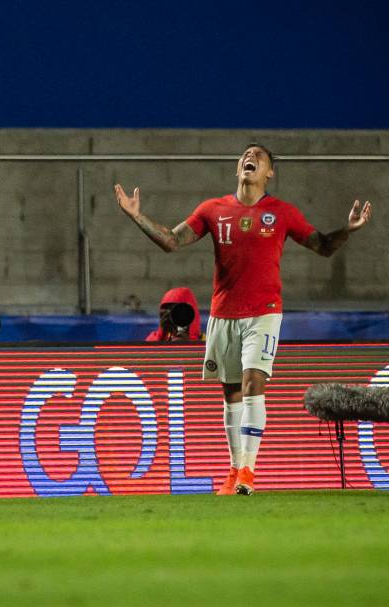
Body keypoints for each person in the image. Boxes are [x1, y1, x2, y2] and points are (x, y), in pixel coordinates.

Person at [115, 144, 372, 496]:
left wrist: (348, 229)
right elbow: (172, 242)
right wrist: (136, 216)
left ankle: (249, 472)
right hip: (223, 315)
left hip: (264, 313)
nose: (250, 158)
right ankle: (234, 469)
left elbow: (323, 245)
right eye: (245, 155)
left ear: (269, 173)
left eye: (259, 156)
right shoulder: (212, 209)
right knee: (231, 393)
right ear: (239, 169)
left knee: (253, 383)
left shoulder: (282, 213)